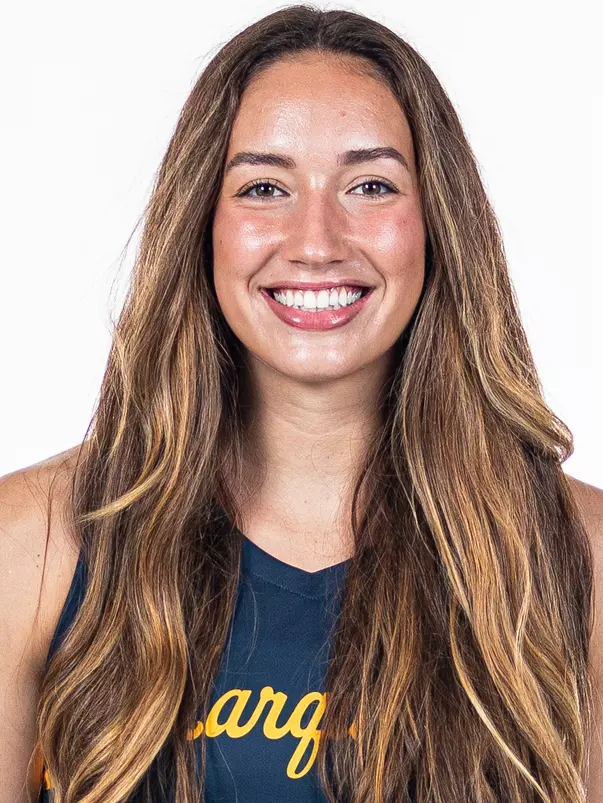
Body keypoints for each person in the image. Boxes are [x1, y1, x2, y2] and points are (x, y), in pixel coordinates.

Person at [1, 5, 601, 802]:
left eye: (370, 185)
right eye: (264, 186)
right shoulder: (33, 545)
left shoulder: (578, 554)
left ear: (436, 225)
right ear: (202, 224)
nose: (315, 239)